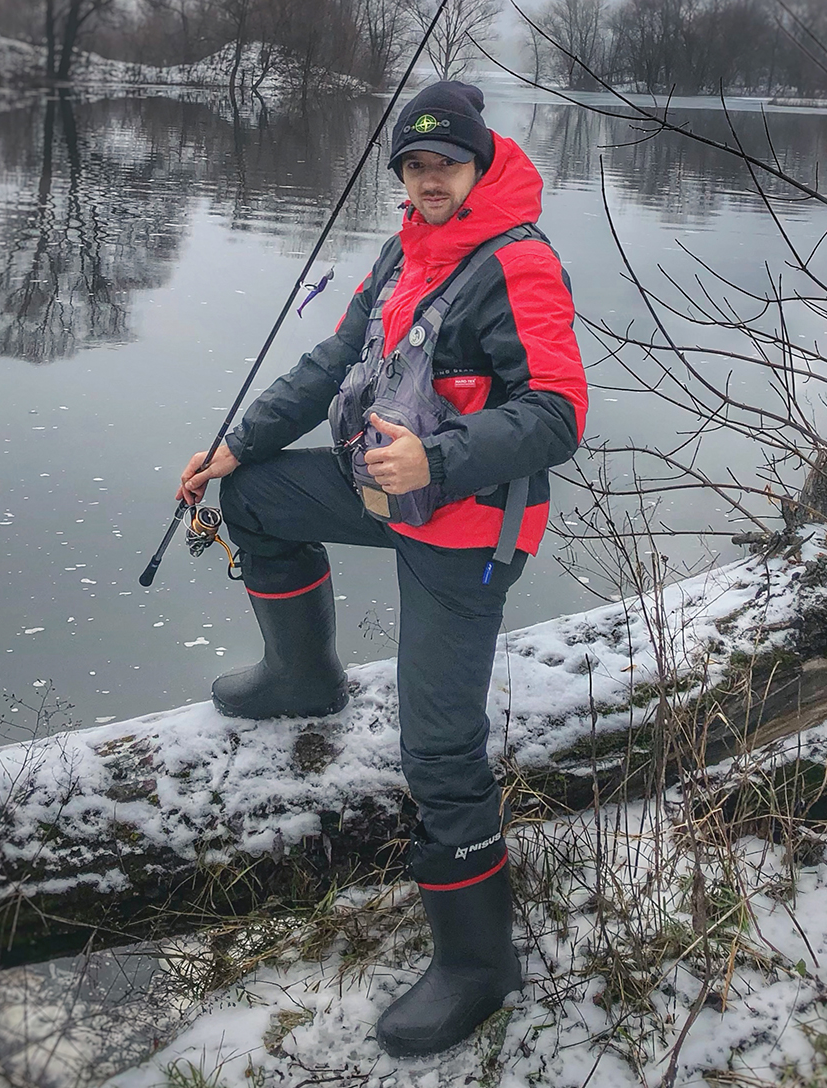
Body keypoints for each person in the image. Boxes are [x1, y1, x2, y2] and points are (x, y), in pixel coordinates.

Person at [177, 80, 587, 1058]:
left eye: (444, 160)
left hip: (466, 527)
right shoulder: (403, 246)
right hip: (381, 491)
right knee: (259, 497)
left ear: (478, 165)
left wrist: (439, 460)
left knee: (437, 744)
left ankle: (477, 964)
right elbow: (332, 361)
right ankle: (301, 675)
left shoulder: (518, 262)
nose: (427, 176)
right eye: (413, 163)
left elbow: (558, 413)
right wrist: (238, 442)